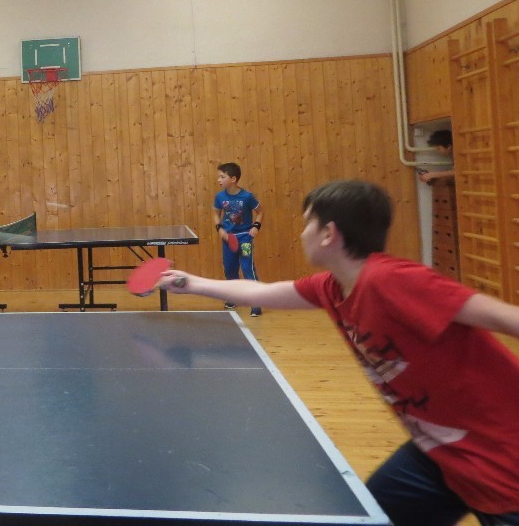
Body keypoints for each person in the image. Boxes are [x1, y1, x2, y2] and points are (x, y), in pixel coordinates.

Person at [157, 179, 519, 525]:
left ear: (329, 233)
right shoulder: (332, 287)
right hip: (439, 452)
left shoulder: (393, 280)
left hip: (504, 461)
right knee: (369, 516)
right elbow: (261, 292)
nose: (302, 234)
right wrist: (193, 283)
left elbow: (506, 318)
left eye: (307, 224)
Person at [213, 162, 263, 316]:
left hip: (245, 239)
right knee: (230, 270)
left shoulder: (247, 197)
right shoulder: (220, 197)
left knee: (248, 269)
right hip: (228, 240)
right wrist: (220, 228)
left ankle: (256, 303)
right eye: (219, 177)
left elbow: (260, 212)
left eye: (222, 177)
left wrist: (256, 226)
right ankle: (233, 298)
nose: (219, 180)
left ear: (233, 179)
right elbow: (215, 213)